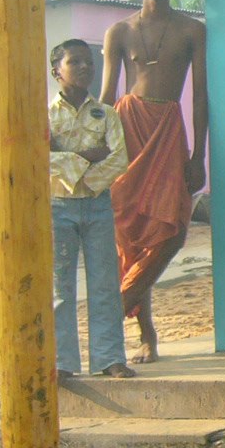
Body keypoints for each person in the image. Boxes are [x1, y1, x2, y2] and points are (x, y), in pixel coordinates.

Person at [101, 0, 207, 363]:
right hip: (127, 131)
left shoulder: (191, 30)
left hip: (167, 130)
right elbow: (107, 97)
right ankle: (147, 337)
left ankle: (115, 306)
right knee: (131, 235)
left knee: (172, 231)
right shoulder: (120, 31)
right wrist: (95, 152)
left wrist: (198, 155)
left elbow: (199, 96)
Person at [50, 39, 134, 379]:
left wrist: (68, 161)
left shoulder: (106, 114)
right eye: (75, 62)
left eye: (89, 62)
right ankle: (62, 362)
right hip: (57, 205)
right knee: (59, 286)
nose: (85, 68)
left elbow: (118, 159)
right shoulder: (44, 115)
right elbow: (39, 159)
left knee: (104, 283)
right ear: (57, 71)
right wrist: (86, 157)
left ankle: (109, 358)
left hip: (97, 204)